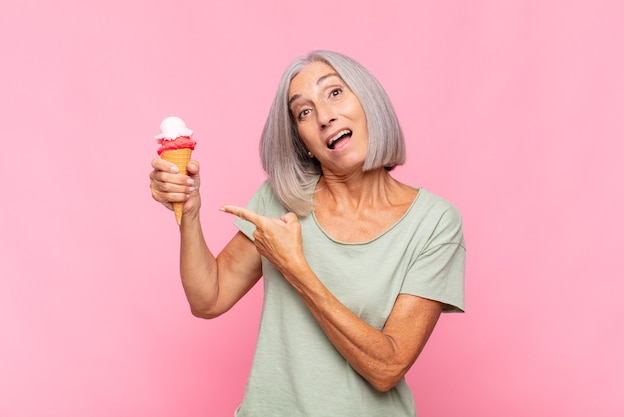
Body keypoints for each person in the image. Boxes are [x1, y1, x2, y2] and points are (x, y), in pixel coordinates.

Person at [150, 50, 465, 417]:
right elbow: (209, 299)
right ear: (303, 144)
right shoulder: (281, 198)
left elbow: (387, 368)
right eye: (304, 111)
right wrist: (190, 213)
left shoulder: (434, 223)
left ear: (368, 102)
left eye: (334, 93)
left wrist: (295, 268)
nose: (324, 116)